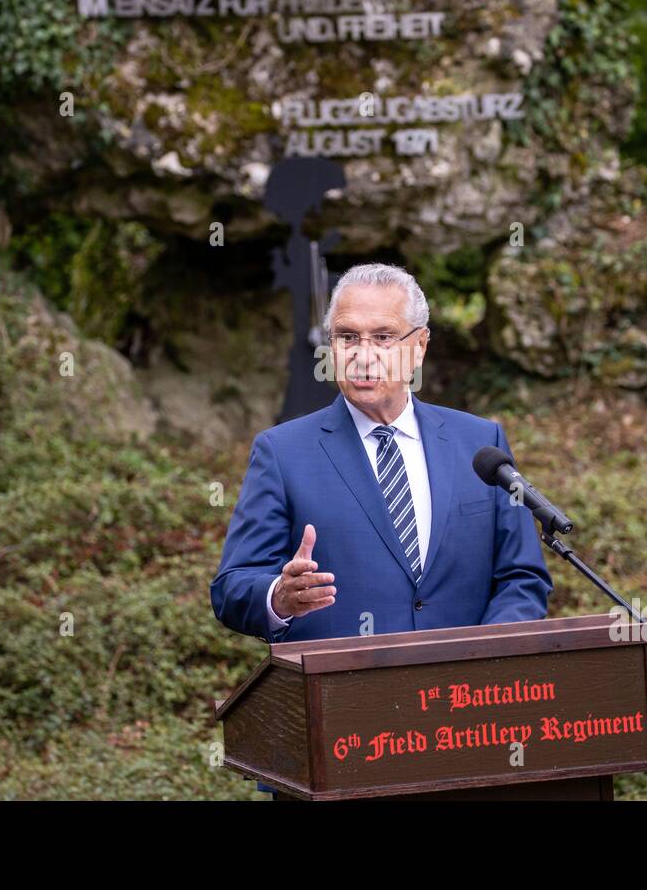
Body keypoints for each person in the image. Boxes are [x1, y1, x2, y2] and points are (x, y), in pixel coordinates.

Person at [210, 262, 553, 796]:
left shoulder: (479, 444)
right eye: (347, 336)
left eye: (383, 336)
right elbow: (231, 590)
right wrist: (279, 595)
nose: (362, 353)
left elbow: (522, 579)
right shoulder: (283, 453)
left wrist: (480, 664)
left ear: (419, 348)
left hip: (466, 734)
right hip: (335, 742)